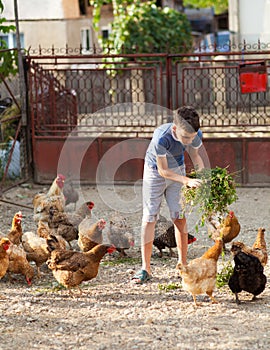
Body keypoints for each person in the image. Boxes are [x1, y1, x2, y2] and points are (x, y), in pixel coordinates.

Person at [132, 106, 205, 284]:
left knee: (179, 217)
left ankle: (183, 264)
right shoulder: (161, 138)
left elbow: (195, 157)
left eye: (192, 137)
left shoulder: (195, 134)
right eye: (185, 137)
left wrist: (203, 178)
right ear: (175, 129)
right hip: (155, 172)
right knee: (150, 218)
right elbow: (163, 171)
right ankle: (145, 269)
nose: (188, 142)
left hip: (178, 170)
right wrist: (186, 180)